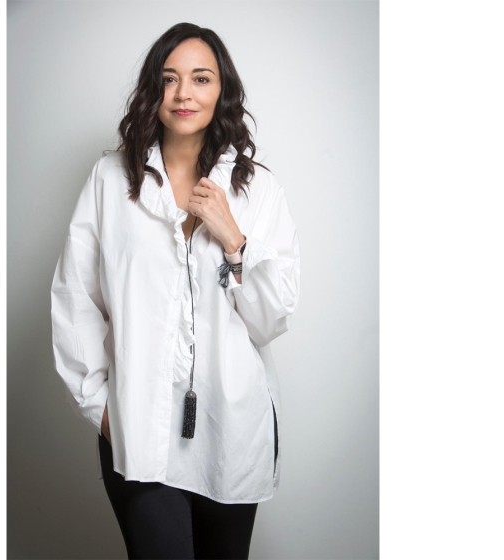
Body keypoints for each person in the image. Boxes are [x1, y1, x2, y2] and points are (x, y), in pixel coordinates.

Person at [50, 22, 301, 559]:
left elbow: (271, 319)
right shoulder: (110, 181)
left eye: (201, 78)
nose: (184, 93)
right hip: (138, 427)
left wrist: (233, 238)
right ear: (153, 90)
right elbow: (75, 300)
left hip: (231, 432)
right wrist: (102, 408)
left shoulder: (258, 190)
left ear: (222, 90)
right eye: (170, 78)